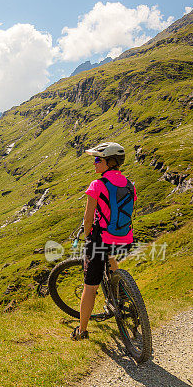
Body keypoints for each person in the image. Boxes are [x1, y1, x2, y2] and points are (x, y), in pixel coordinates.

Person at [72, 141, 136, 340]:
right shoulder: (130, 184)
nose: (94, 163)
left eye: (98, 160)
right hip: (125, 238)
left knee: (90, 286)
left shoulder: (97, 184)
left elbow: (88, 218)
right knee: (107, 255)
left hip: (101, 239)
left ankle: (81, 331)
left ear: (110, 162)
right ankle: (123, 291)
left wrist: (88, 235)